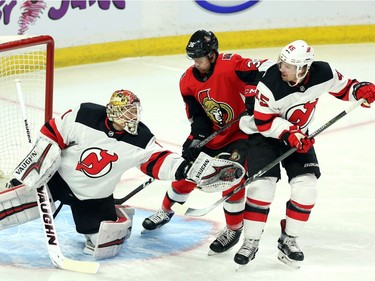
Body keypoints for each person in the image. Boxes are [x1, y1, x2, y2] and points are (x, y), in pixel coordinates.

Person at [1, 89, 242, 259]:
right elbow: (50, 135)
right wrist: (27, 176)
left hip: (93, 197)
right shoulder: (83, 115)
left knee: (102, 246)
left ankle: (117, 215)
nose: (133, 117)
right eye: (127, 112)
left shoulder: (141, 138)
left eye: (135, 111)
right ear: (113, 112)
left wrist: (185, 169)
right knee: (14, 206)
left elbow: (156, 160)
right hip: (56, 182)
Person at [236, 39, 375, 268]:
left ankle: (288, 240)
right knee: (262, 187)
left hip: (299, 137)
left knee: (307, 187)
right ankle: (250, 241)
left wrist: (359, 89)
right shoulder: (270, 83)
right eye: (282, 63)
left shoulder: (323, 72)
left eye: (288, 66)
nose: (282, 68)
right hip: (265, 137)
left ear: (303, 69)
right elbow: (263, 122)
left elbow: (345, 87)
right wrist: (290, 133)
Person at [141, 30, 273, 255]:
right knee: (188, 174)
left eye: (200, 58)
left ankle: (233, 228)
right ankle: (165, 210)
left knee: (231, 177)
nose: (196, 63)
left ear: (212, 55)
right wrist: (197, 137)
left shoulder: (232, 64)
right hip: (214, 134)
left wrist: (251, 96)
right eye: (193, 59)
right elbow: (197, 113)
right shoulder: (187, 80)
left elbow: (267, 67)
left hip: (240, 134)